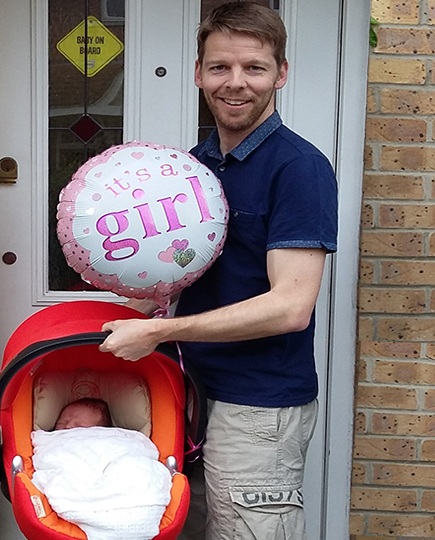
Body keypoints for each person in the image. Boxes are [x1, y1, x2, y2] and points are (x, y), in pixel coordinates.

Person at [99, 3, 338, 539]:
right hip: (187, 393)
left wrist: (159, 331)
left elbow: (290, 306)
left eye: (253, 68)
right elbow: (172, 275)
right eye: (219, 67)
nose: (236, 83)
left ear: (280, 73)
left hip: (257, 408)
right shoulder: (194, 166)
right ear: (197, 73)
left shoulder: (299, 169)